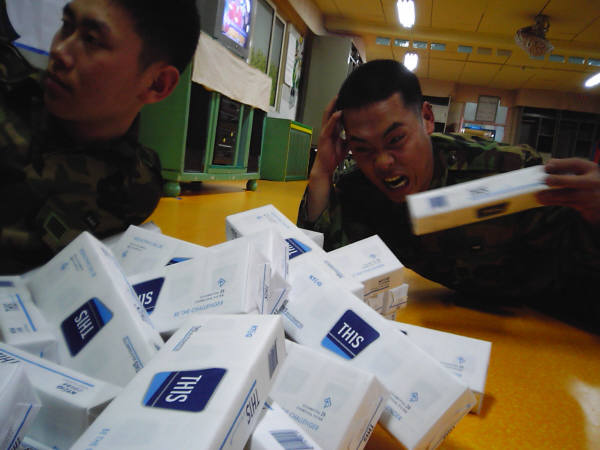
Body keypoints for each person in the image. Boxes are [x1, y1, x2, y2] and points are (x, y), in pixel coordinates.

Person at [298, 59, 600, 331]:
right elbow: (322, 273)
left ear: (427, 118)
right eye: (363, 149)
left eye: (396, 139)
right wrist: (321, 171)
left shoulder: (504, 170)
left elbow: (581, 264)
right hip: (462, 322)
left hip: (553, 323)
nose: (383, 162)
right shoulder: (360, 190)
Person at [0, 0, 200, 273]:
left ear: (157, 84)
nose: (59, 51)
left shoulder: (138, 185)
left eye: (91, 40)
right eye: (66, 26)